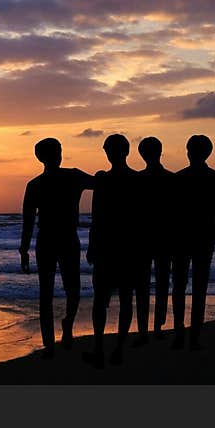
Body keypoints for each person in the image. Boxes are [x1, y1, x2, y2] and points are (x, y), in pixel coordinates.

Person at [19, 138, 95, 359]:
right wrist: (24, 250)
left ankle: (63, 330)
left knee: (61, 292)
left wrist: (24, 249)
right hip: (57, 240)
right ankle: (50, 343)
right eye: (57, 151)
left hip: (56, 239)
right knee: (60, 292)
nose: (59, 155)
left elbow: (28, 222)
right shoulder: (67, 178)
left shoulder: (60, 179)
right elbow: (28, 220)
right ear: (47, 157)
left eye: (59, 151)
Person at [172, 135, 215, 351]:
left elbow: (168, 212)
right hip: (203, 238)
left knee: (179, 286)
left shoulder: (179, 178)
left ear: (188, 152)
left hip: (183, 238)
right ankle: (193, 336)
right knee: (199, 287)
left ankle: (180, 333)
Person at [83, 134, 138, 367]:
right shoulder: (136, 180)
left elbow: (97, 217)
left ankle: (99, 348)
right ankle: (118, 349)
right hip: (128, 247)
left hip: (107, 247)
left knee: (101, 300)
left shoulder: (102, 180)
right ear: (126, 152)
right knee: (125, 300)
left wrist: (92, 246)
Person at [136, 137, 177, 343]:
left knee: (143, 286)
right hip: (164, 238)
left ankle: (145, 330)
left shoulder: (137, 181)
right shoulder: (172, 179)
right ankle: (156, 328)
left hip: (144, 239)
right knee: (161, 284)